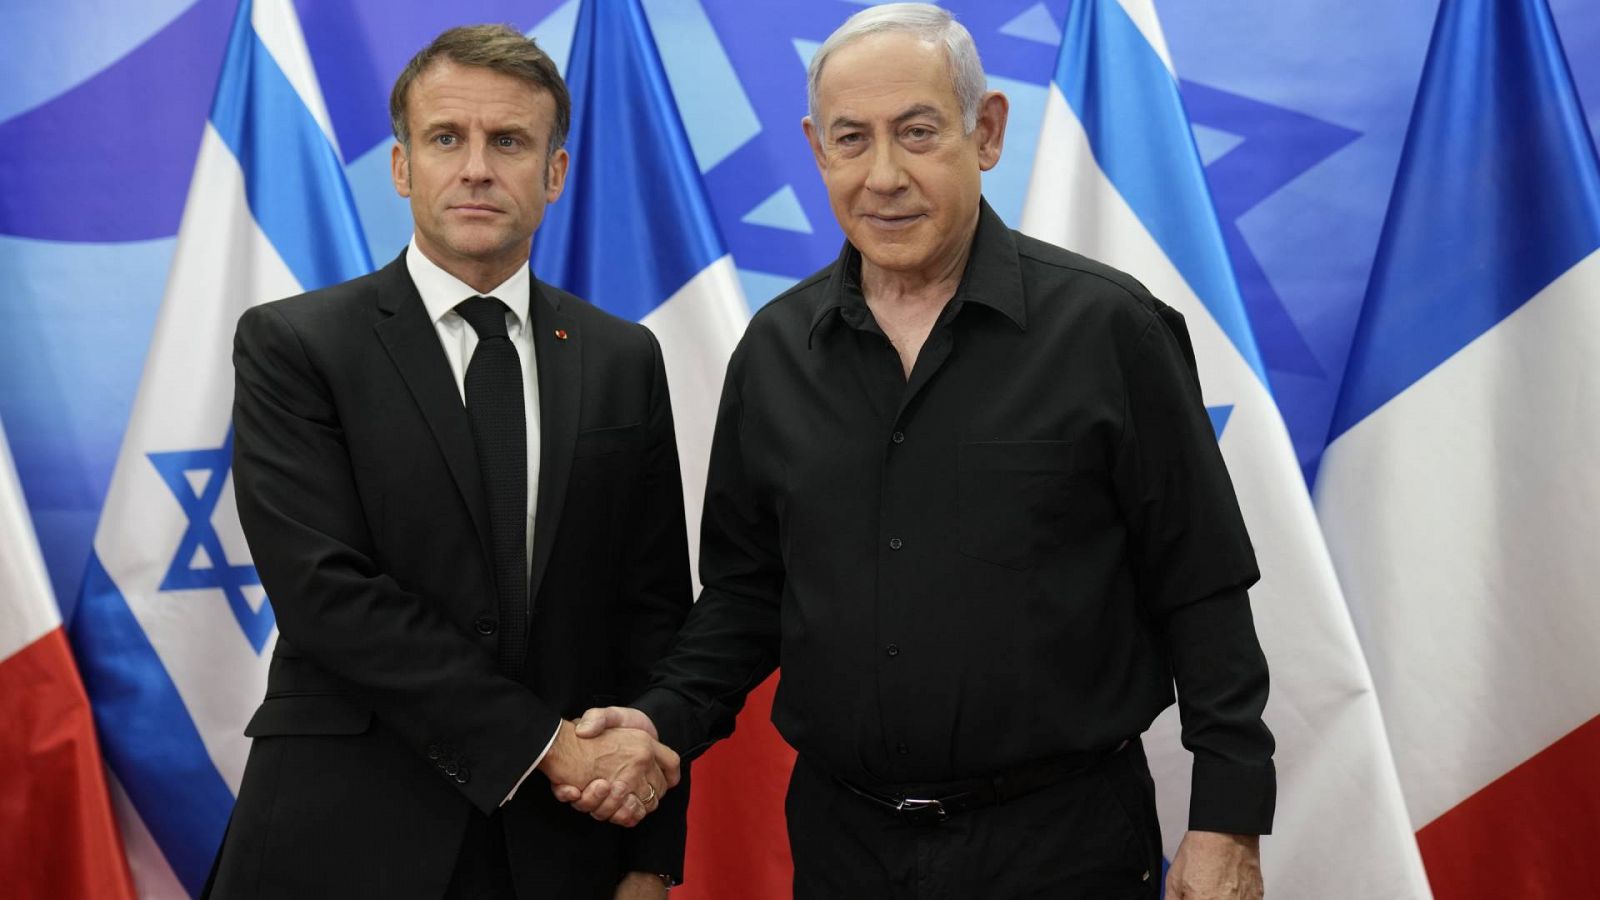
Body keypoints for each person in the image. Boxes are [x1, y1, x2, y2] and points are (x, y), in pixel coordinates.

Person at [562, 5, 1273, 898]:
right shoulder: (776, 353)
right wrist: (660, 725)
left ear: (987, 133)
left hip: (1062, 846)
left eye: (918, 132)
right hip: (843, 847)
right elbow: (748, 596)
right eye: (851, 139)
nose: (884, 175)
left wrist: (1227, 818)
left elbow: (1202, 588)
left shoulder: (1110, 330)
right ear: (818, 150)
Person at [209, 25, 689, 900]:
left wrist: (651, 854)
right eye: (446, 139)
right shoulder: (294, 346)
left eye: (508, 141)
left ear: (555, 174)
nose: (476, 167)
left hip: (565, 849)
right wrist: (549, 744)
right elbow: (326, 594)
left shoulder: (624, 358)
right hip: (344, 833)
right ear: (401, 168)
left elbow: (651, 614)